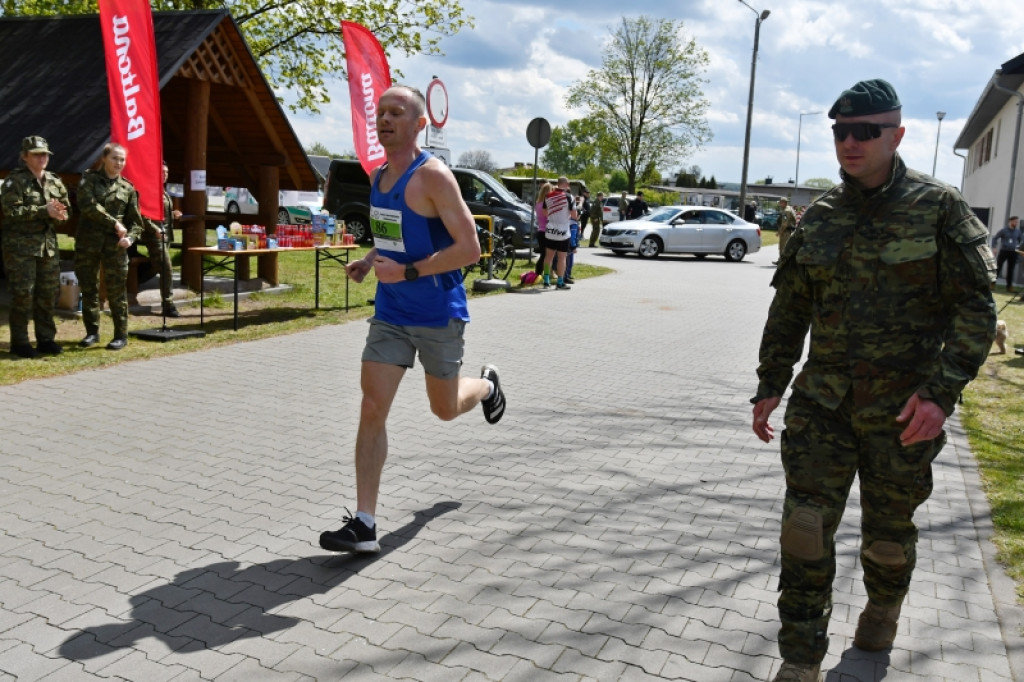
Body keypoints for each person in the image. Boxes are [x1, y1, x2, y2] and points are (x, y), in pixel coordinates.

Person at [750, 78, 996, 682]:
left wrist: (941, 394)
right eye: (841, 131)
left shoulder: (939, 209)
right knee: (804, 532)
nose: (850, 142)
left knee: (888, 537)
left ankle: (882, 612)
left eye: (866, 131)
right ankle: (800, 661)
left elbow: (976, 310)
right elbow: (788, 312)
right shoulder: (820, 218)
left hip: (903, 412)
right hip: (823, 408)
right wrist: (769, 383)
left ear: (897, 135)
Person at [318, 85, 507, 555]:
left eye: (396, 112)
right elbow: (391, 235)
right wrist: (369, 260)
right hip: (391, 314)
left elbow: (471, 249)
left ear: (419, 123)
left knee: (443, 409)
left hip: (438, 313)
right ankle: (364, 523)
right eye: (380, 112)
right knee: (371, 408)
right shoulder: (380, 175)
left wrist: (409, 271)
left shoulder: (435, 177)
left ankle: (486, 386)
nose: (384, 119)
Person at [0, 136, 71, 359]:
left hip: (47, 247)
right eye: (37, 154)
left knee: (47, 293)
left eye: (45, 154)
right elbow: (11, 212)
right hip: (21, 248)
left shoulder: (54, 180)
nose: (43, 158)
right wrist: (44, 211)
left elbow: (64, 209)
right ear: (24, 157)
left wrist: (60, 214)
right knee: (23, 294)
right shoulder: (15, 181)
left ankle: (45, 339)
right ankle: (20, 342)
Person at [75, 142, 145, 351]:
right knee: (89, 289)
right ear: (104, 158)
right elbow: (88, 205)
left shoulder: (128, 188)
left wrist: (130, 239)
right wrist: (114, 222)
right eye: (114, 158)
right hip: (89, 244)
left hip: (115, 248)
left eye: (122, 159)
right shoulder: (89, 180)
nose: (118, 163)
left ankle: (120, 335)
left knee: (116, 292)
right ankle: (92, 332)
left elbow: (136, 223)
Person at [130, 161, 181, 317]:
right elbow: (143, 215)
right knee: (166, 267)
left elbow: (159, 214)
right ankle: (168, 304)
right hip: (153, 236)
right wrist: (155, 229)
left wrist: (173, 214)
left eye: (166, 172)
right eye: (162, 172)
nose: (164, 174)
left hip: (165, 236)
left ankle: (133, 280)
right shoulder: (149, 191)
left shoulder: (163, 191)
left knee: (156, 266)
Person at [540, 176, 576, 289]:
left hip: (550, 230)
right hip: (563, 231)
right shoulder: (569, 197)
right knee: (562, 257)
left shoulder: (547, 196)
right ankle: (560, 282)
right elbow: (574, 215)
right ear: (566, 184)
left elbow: (545, 212)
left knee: (548, 257)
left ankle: (546, 280)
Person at [991, 215, 1022, 293]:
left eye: (1017, 222)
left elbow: (1021, 241)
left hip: (1013, 252)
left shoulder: (1018, 232)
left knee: (1011, 270)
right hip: (1004, 251)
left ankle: (1009, 287)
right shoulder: (1004, 230)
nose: (1016, 223)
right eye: (1015, 222)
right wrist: (994, 247)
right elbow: (995, 238)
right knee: (998, 267)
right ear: (1010, 221)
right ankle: (992, 284)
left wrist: (1021, 250)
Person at [532, 182, 552, 279]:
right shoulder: (546, 204)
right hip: (547, 231)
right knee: (546, 255)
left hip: (540, 230)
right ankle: (541, 273)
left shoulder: (538, 203)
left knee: (543, 254)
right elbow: (548, 217)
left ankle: (538, 272)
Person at [774, 197, 798, 265]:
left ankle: (783, 262)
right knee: (784, 247)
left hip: (786, 232)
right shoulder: (790, 208)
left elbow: (784, 224)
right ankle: (781, 261)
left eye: (780, 202)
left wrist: (779, 232)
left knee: (783, 247)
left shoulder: (786, 211)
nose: (779, 204)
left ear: (784, 203)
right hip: (788, 231)